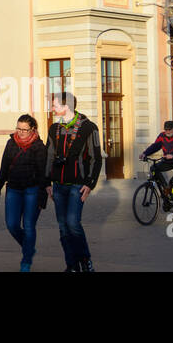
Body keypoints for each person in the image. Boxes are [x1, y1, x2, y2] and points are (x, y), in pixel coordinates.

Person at [44, 93, 103, 272]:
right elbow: (49, 155)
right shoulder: (54, 128)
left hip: (78, 185)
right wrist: (47, 182)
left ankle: (85, 260)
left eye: (55, 105)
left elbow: (96, 158)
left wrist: (90, 183)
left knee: (73, 224)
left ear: (66, 106)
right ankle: (71, 265)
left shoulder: (89, 127)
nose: (52, 109)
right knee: (63, 228)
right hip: (59, 185)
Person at [0, 114, 49, 271]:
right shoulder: (11, 143)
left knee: (29, 226)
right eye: (18, 128)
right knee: (12, 224)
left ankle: (26, 261)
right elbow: (4, 168)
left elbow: (44, 174)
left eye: (24, 129)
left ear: (32, 130)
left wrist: (42, 198)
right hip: (14, 189)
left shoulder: (39, 147)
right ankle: (29, 247)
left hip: (32, 190)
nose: (21, 132)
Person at [141, 120, 173, 214]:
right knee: (154, 168)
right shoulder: (162, 136)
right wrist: (145, 153)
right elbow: (155, 146)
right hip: (169, 160)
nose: (167, 132)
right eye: (166, 130)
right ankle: (166, 188)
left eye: (169, 130)